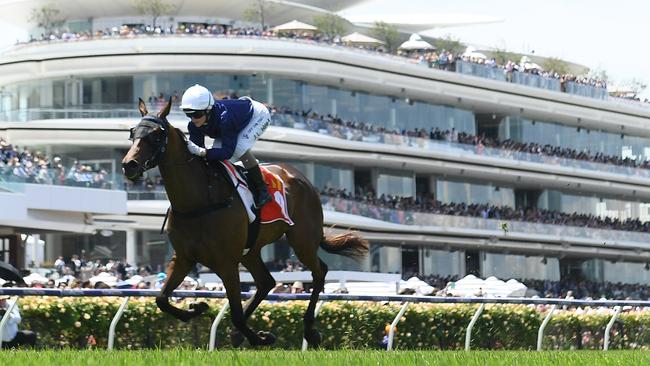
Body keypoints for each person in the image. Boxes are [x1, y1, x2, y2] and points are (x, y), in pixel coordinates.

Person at [180, 84, 272, 208]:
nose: (193, 119)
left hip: (258, 115)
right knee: (216, 155)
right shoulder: (194, 125)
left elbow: (227, 152)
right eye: (188, 114)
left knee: (238, 148)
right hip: (237, 117)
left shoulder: (225, 119)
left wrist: (203, 152)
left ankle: (262, 190)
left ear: (208, 110)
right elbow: (196, 155)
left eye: (196, 114)